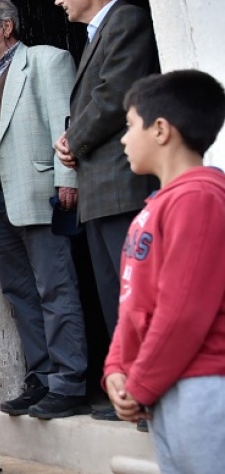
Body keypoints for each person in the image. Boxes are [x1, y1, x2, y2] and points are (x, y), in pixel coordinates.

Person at [0, 0, 90, 419]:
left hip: (40, 195)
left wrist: (67, 178)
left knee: (55, 287)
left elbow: (65, 126)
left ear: (7, 26)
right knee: (19, 294)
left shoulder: (46, 61)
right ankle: (42, 377)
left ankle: (70, 383)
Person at [52, 0, 160, 420]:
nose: (59, 0)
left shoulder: (126, 21)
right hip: (100, 192)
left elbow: (115, 94)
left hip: (122, 187)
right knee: (116, 296)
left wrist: (72, 138)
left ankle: (149, 395)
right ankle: (129, 393)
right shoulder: (99, 33)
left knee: (136, 296)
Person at [104, 70, 225, 473]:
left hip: (202, 387)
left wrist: (139, 384)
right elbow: (133, 305)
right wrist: (116, 369)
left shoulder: (199, 198)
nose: (124, 139)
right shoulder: (156, 206)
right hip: (162, 386)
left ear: (160, 129)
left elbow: (182, 312)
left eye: (129, 125)